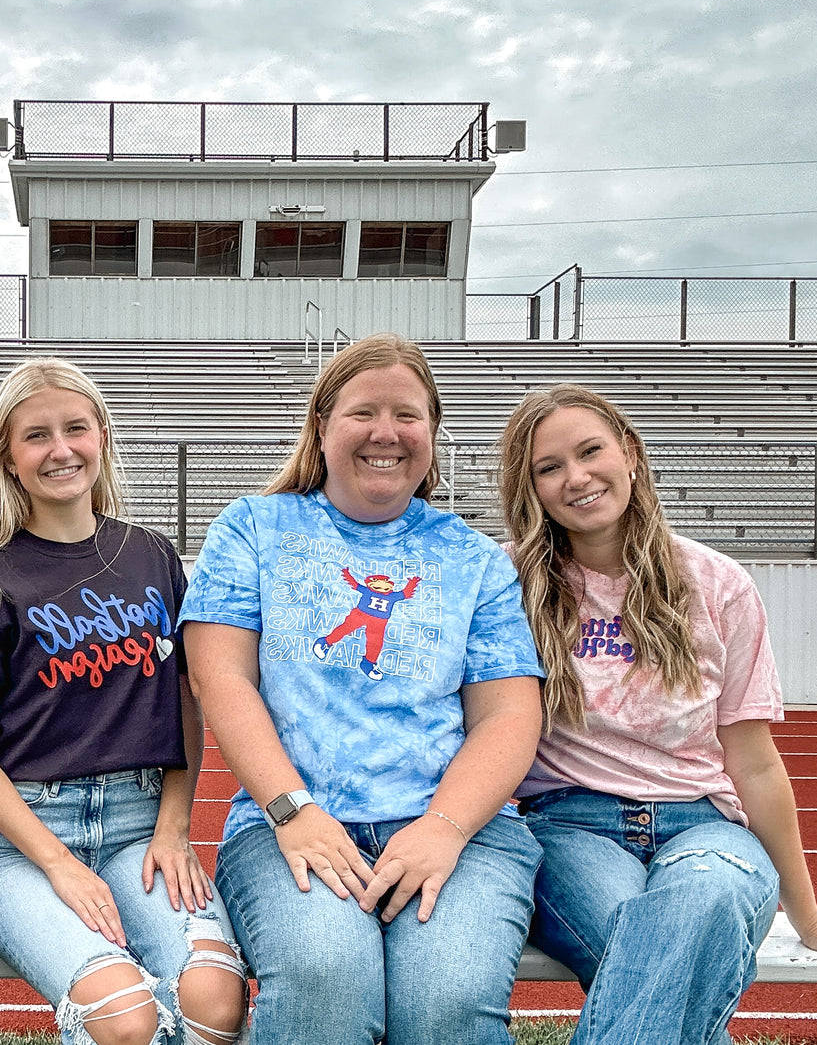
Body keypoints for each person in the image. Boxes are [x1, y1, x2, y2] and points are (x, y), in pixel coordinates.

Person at [497, 383, 817, 1044]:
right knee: (651, 934)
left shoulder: (716, 583)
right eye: (548, 467)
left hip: (704, 824)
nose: (575, 477)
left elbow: (752, 760)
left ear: (631, 455)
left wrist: (807, 916)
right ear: (529, 487)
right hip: (567, 828)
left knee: (701, 903)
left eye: (590, 452)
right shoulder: (507, 585)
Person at [180, 333, 546, 1045]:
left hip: (459, 832)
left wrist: (443, 829)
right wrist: (294, 811)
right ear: (321, 427)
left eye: (406, 415)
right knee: (323, 981)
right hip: (289, 825)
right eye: (362, 413)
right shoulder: (251, 528)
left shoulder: (473, 558)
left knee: (447, 1000)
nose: (386, 433)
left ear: (432, 434)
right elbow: (218, 675)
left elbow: (507, 711)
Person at [0, 358, 247, 1045]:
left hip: (139, 824)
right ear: (7, 457)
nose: (60, 450)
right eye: (35, 436)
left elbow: (184, 703)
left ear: (102, 436)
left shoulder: (152, 555)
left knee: (215, 1000)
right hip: (23, 844)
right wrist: (60, 865)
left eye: (74, 429)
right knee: (119, 1018)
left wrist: (174, 826)